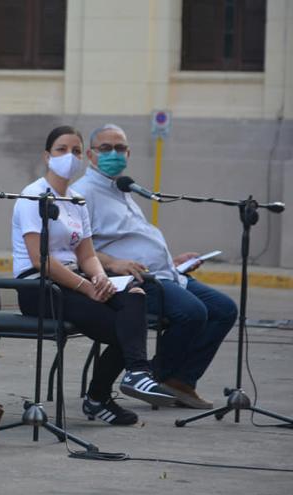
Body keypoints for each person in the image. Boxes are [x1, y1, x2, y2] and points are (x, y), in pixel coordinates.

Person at [12, 125, 178, 426]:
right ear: (47, 156)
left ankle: (136, 374)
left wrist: (100, 277)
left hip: (75, 281)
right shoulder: (33, 196)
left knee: (134, 296)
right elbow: (41, 259)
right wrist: (87, 287)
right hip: (39, 287)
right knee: (122, 329)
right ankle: (99, 397)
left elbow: (87, 254)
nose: (70, 156)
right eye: (62, 150)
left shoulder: (76, 200)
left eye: (76, 151)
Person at [74, 124, 238, 409]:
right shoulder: (83, 193)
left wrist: (172, 261)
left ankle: (180, 380)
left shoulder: (122, 188)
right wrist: (113, 263)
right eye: (106, 149)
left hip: (167, 273)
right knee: (192, 313)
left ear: (129, 152)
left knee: (224, 310)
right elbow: (76, 248)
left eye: (120, 148)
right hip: (134, 281)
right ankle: (155, 376)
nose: (115, 154)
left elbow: (132, 238)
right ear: (90, 155)